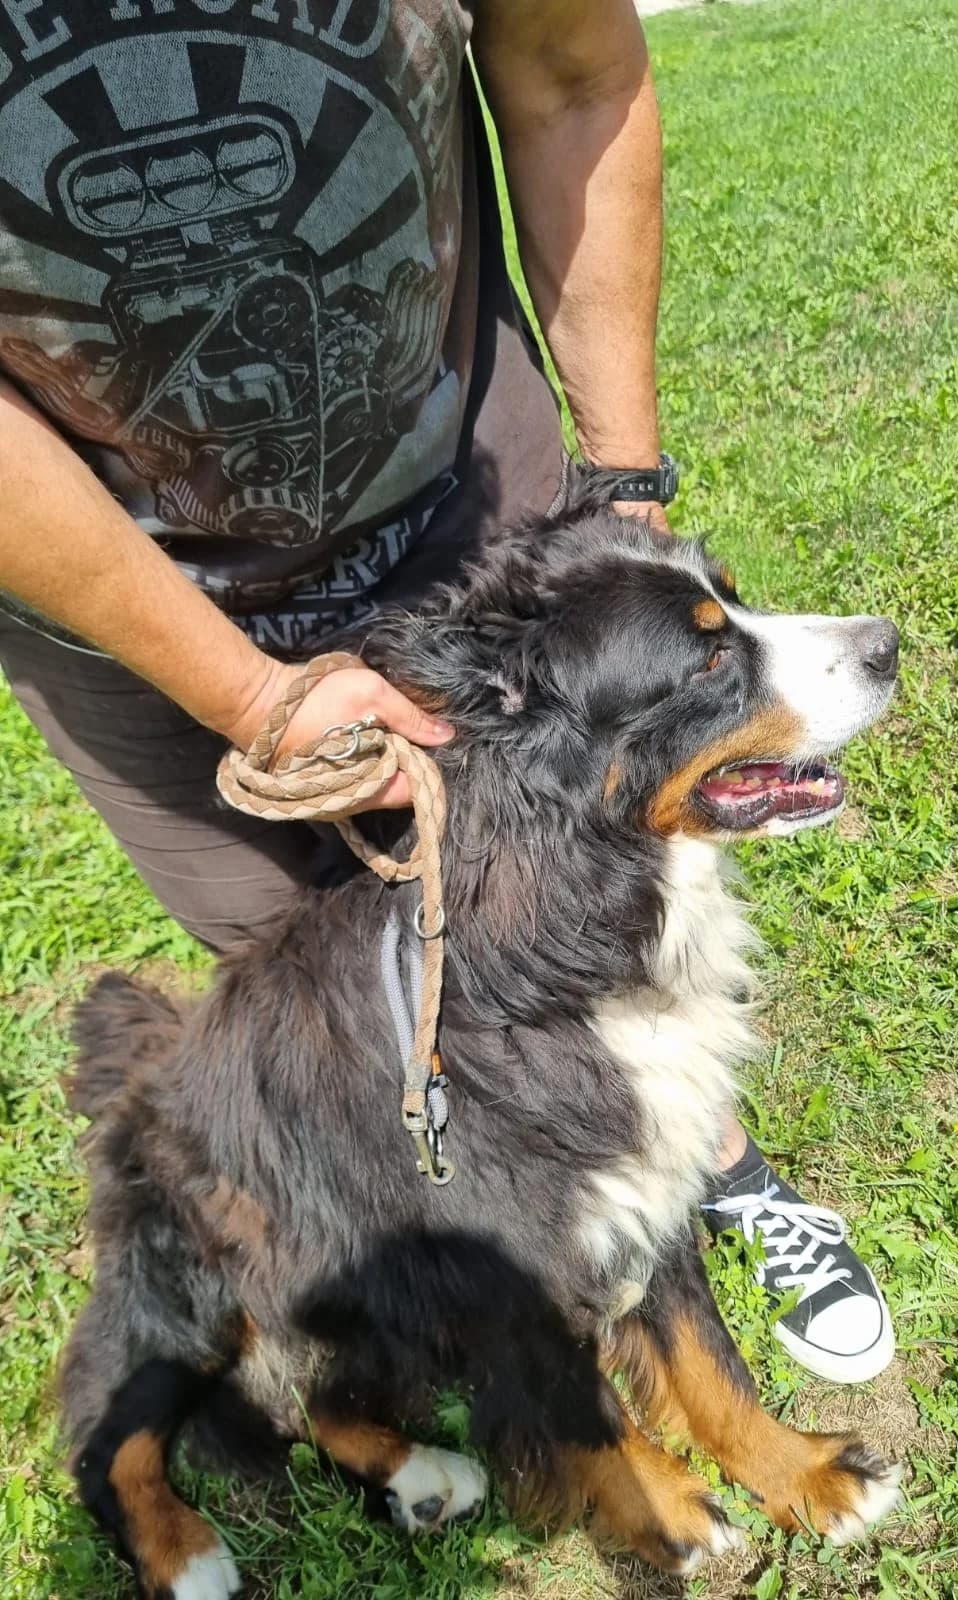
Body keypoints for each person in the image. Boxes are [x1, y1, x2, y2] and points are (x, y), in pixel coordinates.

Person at [0, 0, 892, 1384]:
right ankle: (499, 1244)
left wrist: (625, 489)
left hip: (469, 507)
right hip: (120, 597)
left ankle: (709, 1171)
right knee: (337, 977)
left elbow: (572, 71)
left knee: (588, 884)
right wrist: (247, 694)